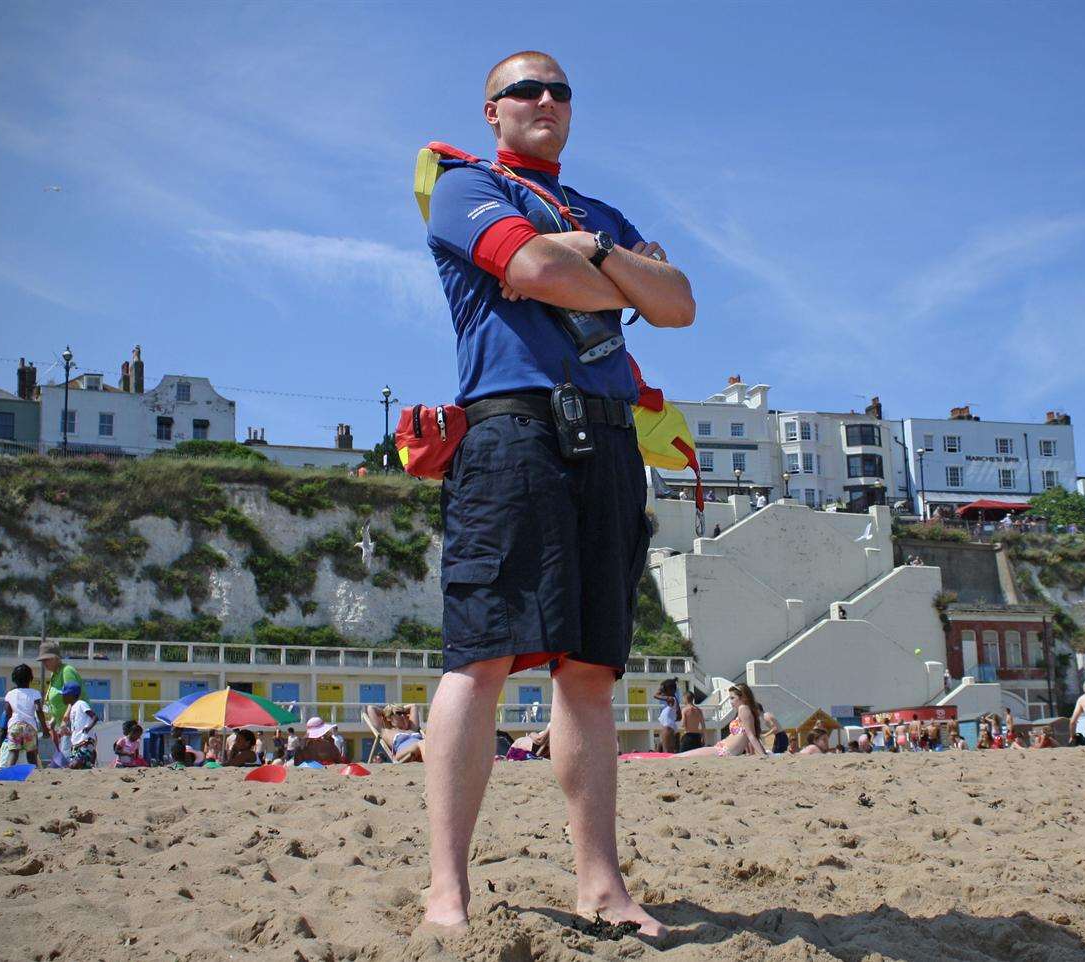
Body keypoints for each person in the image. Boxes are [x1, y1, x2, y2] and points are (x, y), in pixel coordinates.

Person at [419, 49, 694, 936]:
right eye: (523, 90)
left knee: (589, 672)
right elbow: (539, 274)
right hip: (513, 432)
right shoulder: (467, 188)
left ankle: (601, 885)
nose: (544, 100)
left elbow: (678, 304)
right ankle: (447, 889)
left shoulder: (602, 213)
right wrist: (606, 279)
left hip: (608, 437)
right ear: (491, 112)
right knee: (482, 655)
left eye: (558, 90)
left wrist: (596, 253)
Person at [680, 684, 768, 758]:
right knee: (684, 755)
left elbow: (751, 736)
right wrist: (760, 753)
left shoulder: (743, 709)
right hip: (723, 748)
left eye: (732, 698)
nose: (730, 701)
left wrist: (763, 755)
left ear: (743, 698)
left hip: (725, 750)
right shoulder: (743, 710)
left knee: (682, 756)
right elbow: (749, 736)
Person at [0, 664, 48, 768]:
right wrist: (45, 729)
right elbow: (39, 710)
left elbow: (8, 713)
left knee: (13, 753)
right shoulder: (35, 693)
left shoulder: (10, 694)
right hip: (29, 727)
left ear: (14, 679)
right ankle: (35, 773)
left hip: (14, 726)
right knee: (31, 755)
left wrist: (6, 729)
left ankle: (8, 771)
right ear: (31, 678)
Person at [36, 641, 84, 735]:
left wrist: (64, 722)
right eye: (42, 661)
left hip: (72, 722)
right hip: (62, 725)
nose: (44, 663)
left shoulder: (67, 671)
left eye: (46, 659)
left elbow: (74, 698)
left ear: (56, 658)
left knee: (68, 749)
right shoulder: (54, 674)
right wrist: (53, 722)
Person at [60, 682, 97, 769]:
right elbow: (77, 725)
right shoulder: (73, 707)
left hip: (85, 741)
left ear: (71, 695)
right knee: (75, 766)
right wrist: (70, 732)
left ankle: (90, 760)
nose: (62, 697)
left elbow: (95, 717)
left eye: (64, 695)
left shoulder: (81, 704)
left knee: (74, 765)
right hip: (76, 744)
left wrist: (88, 727)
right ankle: (90, 764)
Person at [653, 680, 679, 754]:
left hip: (668, 727)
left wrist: (661, 688)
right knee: (663, 749)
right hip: (670, 727)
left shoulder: (671, 699)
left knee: (667, 752)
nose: (663, 691)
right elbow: (679, 716)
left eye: (664, 689)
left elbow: (655, 695)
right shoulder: (674, 701)